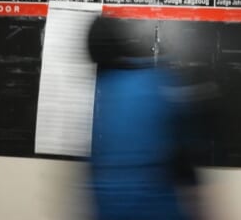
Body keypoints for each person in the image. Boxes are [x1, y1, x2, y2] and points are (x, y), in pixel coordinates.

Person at [86, 16, 201, 220]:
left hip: (113, 210)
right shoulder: (157, 81)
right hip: (156, 208)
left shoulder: (103, 94)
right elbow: (183, 162)